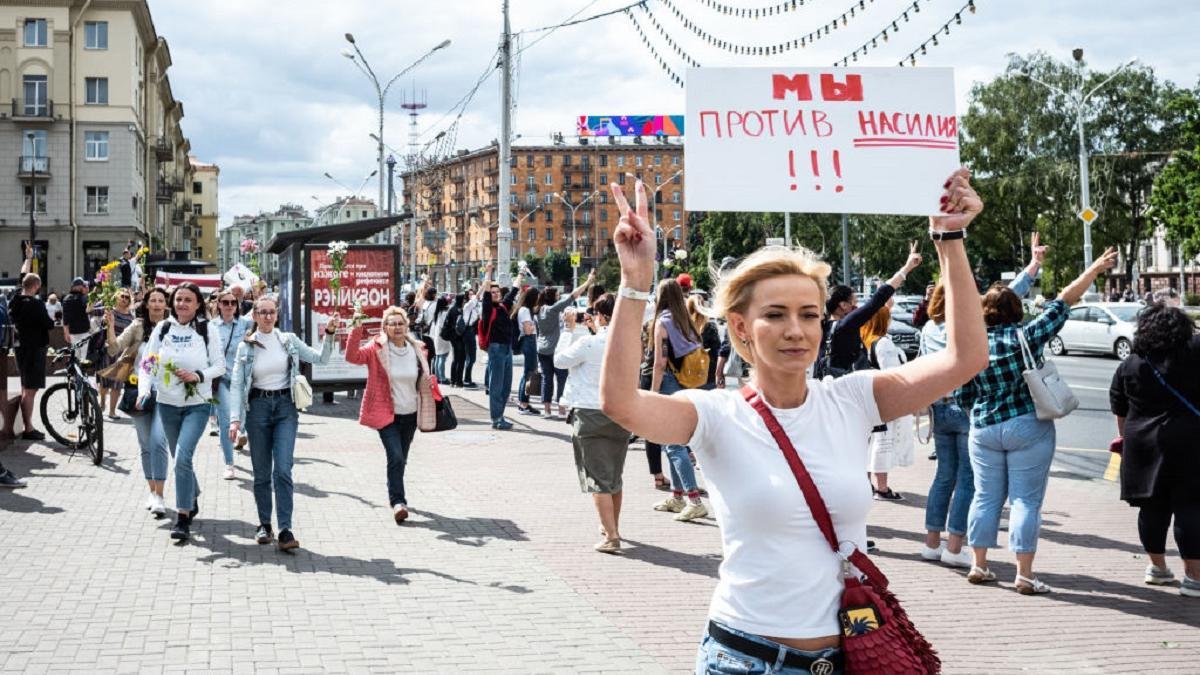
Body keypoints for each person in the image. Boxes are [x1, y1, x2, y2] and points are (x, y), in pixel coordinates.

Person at [600, 172, 987, 671]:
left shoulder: (852, 399)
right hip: (745, 658)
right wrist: (634, 285)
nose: (795, 330)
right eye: (776, 315)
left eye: (809, 314)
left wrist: (950, 240)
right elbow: (619, 403)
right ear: (741, 326)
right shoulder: (717, 414)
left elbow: (965, 358)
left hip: (849, 654)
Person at [958, 247, 1119, 594]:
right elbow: (1063, 301)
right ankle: (1024, 574)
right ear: (1018, 309)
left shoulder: (973, 344)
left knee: (984, 497)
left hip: (984, 428)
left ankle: (979, 564)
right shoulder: (1025, 336)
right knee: (1025, 501)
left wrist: (976, 409)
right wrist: (1093, 269)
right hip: (1027, 424)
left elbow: (962, 394)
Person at [920, 233, 1045, 563]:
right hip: (965, 405)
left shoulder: (929, 328)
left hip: (938, 406)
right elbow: (1005, 297)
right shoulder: (964, 325)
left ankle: (931, 543)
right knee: (968, 481)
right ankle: (955, 548)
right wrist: (1032, 266)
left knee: (943, 476)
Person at [228, 297, 339, 551]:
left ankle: (286, 530)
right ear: (254, 315)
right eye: (262, 312)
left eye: (271, 312)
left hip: (285, 408)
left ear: (276, 315)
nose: (267, 317)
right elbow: (236, 384)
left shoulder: (287, 340)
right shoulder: (246, 346)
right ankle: (265, 524)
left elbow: (319, 359)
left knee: (283, 470)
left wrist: (330, 333)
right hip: (257, 409)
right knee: (261, 471)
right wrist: (235, 419)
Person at [1109, 303, 1200, 597]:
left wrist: (1125, 440)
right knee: (1190, 507)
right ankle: (1194, 577)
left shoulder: (1132, 363)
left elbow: (1119, 407)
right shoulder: (1195, 353)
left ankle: (1157, 568)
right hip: (1190, 441)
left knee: (1152, 508)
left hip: (1142, 444)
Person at [137, 282, 226, 542]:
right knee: (181, 459)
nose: (182, 304)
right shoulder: (163, 328)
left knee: (182, 459)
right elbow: (148, 363)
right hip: (167, 405)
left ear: (198, 304)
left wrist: (198, 375)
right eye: (178, 300)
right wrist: (145, 390)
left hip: (197, 403)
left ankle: (183, 517)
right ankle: (192, 493)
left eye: (188, 300)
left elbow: (219, 366)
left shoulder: (207, 329)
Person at [345, 306, 433, 524]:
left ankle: (396, 495)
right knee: (396, 456)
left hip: (411, 413)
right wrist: (356, 328)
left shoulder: (418, 349)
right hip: (387, 414)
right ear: (384, 327)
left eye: (400, 323)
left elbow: (422, 378)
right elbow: (352, 356)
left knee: (401, 459)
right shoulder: (376, 349)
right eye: (392, 324)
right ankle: (398, 502)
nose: (397, 327)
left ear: (406, 325)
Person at [556, 293, 629, 553]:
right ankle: (612, 525)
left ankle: (611, 536)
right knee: (614, 476)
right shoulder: (627, 342)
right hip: (619, 412)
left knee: (597, 479)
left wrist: (568, 329)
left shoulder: (589, 343)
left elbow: (559, 360)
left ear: (600, 315)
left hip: (589, 413)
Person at [816, 242, 922, 378]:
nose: (856, 308)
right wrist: (907, 268)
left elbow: (878, 308)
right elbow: (878, 299)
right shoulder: (846, 325)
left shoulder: (821, 326)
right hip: (843, 390)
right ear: (843, 305)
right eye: (853, 303)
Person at [649, 278, 708, 522]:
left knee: (672, 442)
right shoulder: (686, 322)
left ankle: (694, 500)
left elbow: (659, 362)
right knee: (674, 440)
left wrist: (652, 393)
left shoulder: (662, 322)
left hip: (669, 383)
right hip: (688, 383)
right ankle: (677, 496)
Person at [107, 287, 170, 516]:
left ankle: (161, 496)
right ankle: (152, 492)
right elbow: (114, 348)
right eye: (152, 300)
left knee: (158, 442)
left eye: (160, 300)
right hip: (138, 391)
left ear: (165, 304)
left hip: (166, 393)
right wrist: (110, 325)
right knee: (145, 445)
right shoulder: (137, 326)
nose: (156, 304)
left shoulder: (174, 326)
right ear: (146, 304)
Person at [860, 303, 914, 501]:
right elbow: (892, 375)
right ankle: (881, 488)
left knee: (869, 444)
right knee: (883, 443)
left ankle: (866, 484)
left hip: (868, 400)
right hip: (885, 401)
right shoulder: (883, 343)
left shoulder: (864, 340)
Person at [536, 272, 595, 418]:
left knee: (546, 378)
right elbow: (573, 296)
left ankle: (547, 410)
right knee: (561, 377)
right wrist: (587, 283)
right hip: (555, 349)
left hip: (541, 349)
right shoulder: (553, 309)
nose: (559, 297)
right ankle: (561, 410)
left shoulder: (539, 310)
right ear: (553, 298)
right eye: (557, 296)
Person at [212, 288, 254, 480]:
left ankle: (239, 433)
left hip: (241, 381)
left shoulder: (245, 323)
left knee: (241, 419)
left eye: (233, 303)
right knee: (227, 422)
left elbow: (264, 313)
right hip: (221, 380)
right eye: (225, 302)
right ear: (219, 305)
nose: (229, 306)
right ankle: (229, 463)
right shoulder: (212, 327)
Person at [9, 272, 54, 440]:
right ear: (36, 286)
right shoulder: (36, 305)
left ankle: (26, 425)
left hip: (20, 348)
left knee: (24, 386)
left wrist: (28, 259)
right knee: (30, 390)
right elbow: (49, 324)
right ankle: (28, 428)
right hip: (34, 350)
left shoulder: (15, 301)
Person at [479, 263, 524, 429]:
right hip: (496, 349)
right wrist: (489, 272)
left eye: (497, 292)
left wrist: (520, 274)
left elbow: (513, 291)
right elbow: (485, 292)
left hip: (507, 350)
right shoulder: (488, 309)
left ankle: (500, 416)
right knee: (496, 387)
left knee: (505, 387)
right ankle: (496, 419)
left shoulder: (504, 307)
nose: (496, 294)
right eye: (493, 292)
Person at [98, 289, 135, 420]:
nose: (124, 299)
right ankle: (102, 401)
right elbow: (101, 326)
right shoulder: (110, 312)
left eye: (127, 297)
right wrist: (106, 321)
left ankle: (112, 411)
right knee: (105, 382)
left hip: (122, 352)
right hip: (108, 351)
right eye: (122, 296)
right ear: (117, 297)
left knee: (117, 383)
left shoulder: (131, 317)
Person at [513, 286, 541, 416]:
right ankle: (523, 404)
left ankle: (524, 403)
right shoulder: (524, 310)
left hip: (530, 340)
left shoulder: (528, 310)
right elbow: (528, 330)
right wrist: (533, 326)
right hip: (528, 340)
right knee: (528, 373)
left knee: (529, 372)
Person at [688, 295, 722, 390]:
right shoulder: (710, 328)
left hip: (686, 374)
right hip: (707, 374)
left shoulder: (683, 327)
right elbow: (717, 351)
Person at [443, 293, 466, 387]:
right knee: (460, 359)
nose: (464, 301)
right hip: (458, 337)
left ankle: (453, 380)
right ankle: (458, 381)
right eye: (464, 299)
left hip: (453, 337)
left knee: (455, 358)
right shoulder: (459, 310)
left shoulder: (451, 309)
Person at [61, 277, 92, 345]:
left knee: (75, 353)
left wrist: (66, 332)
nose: (84, 287)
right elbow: (89, 310)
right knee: (82, 355)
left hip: (72, 331)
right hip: (84, 331)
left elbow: (65, 318)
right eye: (83, 286)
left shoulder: (66, 299)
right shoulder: (83, 298)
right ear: (78, 287)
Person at [461, 288, 481, 389]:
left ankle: (467, 378)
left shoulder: (473, 307)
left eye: (472, 294)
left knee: (471, 357)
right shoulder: (468, 305)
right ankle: (467, 380)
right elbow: (476, 298)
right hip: (467, 331)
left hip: (471, 330)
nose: (472, 296)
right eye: (470, 294)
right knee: (470, 357)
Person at [430, 296, 451, 384]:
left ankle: (438, 377)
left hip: (436, 337)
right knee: (442, 357)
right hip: (442, 338)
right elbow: (444, 326)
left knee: (438, 357)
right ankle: (442, 378)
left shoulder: (437, 313)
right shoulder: (444, 313)